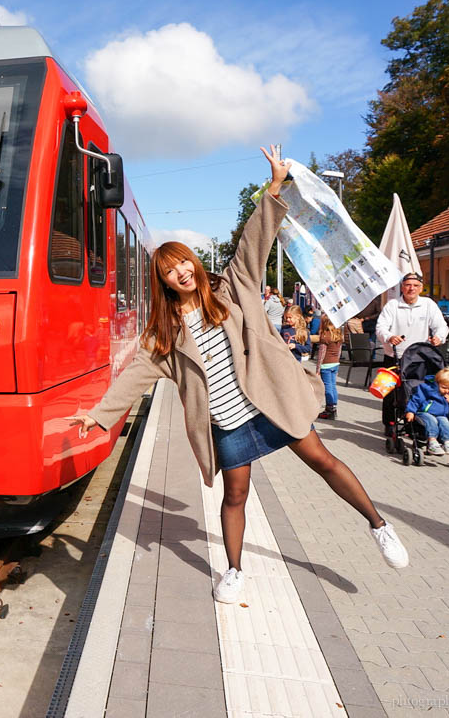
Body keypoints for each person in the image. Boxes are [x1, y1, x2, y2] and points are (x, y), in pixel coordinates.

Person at [66, 146, 409, 606]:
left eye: (184, 262)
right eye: (170, 270)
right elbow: (134, 377)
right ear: (163, 280)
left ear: (193, 262)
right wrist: (99, 415)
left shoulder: (232, 288)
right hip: (228, 422)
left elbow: (253, 242)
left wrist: (273, 187)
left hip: (272, 404)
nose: (182, 271)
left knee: (323, 461)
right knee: (235, 495)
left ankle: (380, 526)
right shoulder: (164, 333)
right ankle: (233, 571)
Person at [375, 272, 449, 436]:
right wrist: (389, 337)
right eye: (408, 285)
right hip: (395, 356)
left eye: (415, 285)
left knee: (417, 391)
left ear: (421, 288)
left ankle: (414, 424)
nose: (411, 288)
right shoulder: (392, 305)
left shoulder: (428, 304)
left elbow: (441, 326)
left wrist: (439, 337)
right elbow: (380, 327)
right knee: (390, 393)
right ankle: (390, 423)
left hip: (419, 358)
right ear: (402, 287)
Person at [404, 367, 449, 455]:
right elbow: (416, 400)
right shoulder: (426, 388)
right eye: (444, 388)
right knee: (431, 420)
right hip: (424, 413)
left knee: (445, 421)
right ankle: (432, 442)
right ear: (438, 383)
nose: (447, 391)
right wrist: (410, 411)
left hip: (441, 415)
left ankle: (447, 442)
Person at [315, 314, 343, 420]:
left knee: (327, 387)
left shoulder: (325, 336)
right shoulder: (338, 335)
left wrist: (318, 369)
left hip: (326, 364)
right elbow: (339, 352)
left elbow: (321, 354)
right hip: (335, 363)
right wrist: (338, 362)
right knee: (333, 386)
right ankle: (334, 407)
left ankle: (329, 408)